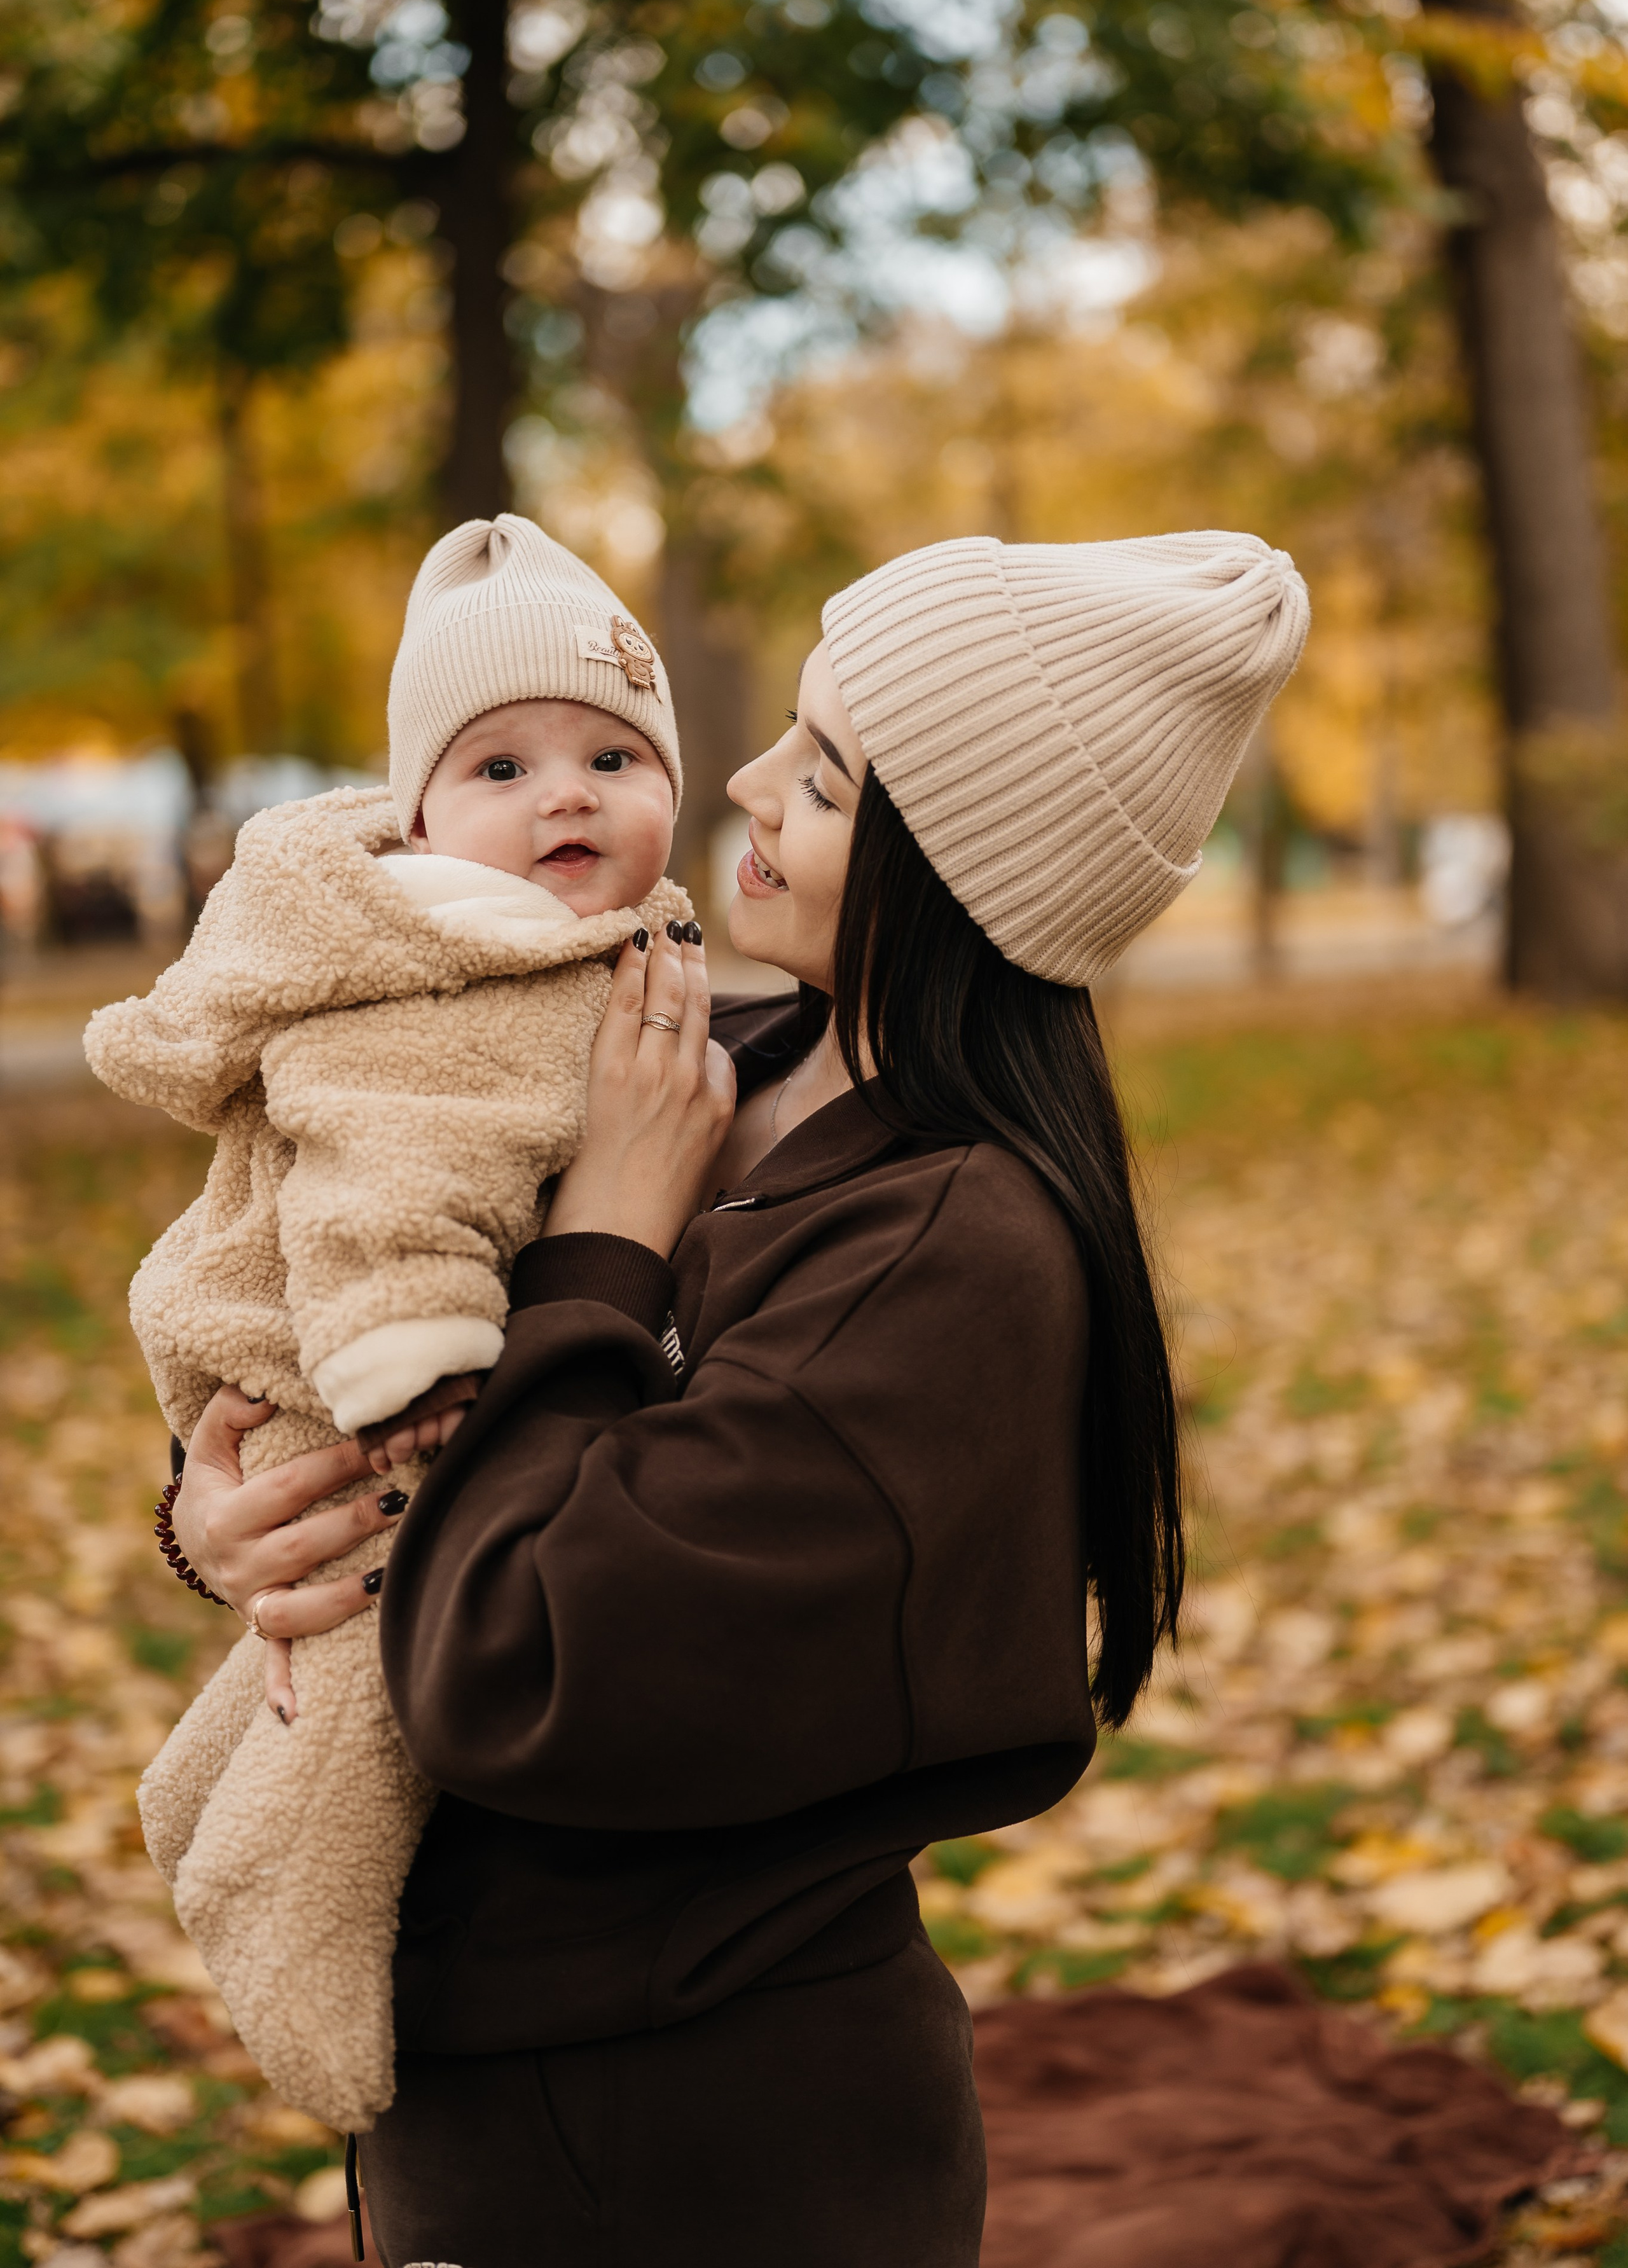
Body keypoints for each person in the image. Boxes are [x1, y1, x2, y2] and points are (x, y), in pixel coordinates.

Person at [168, 529, 1309, 2267]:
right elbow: (343, 1299)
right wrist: (219, 1509)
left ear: (957, 874)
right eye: (785, 730)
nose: (751, 785)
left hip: (689, 2136)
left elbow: (522, 1659)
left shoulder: (945, 1259)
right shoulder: (676, 1050)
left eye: (829, 777)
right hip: (494, 2074)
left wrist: (609, 1251)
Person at [86, 517, 688, 2134]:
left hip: (431, 1401)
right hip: (355, 1368)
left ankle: (211, 1790)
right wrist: (412, 1352)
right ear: (417, 816)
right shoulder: (448, 970)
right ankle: (285, 1921)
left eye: (613, 754)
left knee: (321, 1673)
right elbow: (391, 1172)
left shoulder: (620, 949)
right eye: (500, 768)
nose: (565, 793)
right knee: (353, 1692)